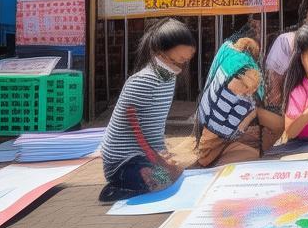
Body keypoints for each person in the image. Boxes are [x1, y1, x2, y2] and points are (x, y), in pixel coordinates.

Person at [98, 18, 196, 202]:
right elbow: (136, 127)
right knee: (163, 180)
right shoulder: (143, 80)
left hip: (144, 154)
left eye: (186, 59)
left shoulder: (168, 78)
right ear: (160, 51)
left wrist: (164, 157)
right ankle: (117, 187)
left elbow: (154, 126)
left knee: (176, 176)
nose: (184, 62)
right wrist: (159, 159)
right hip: (122, 162)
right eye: (180, 58)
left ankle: (138, 178)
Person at [193, 33, 285, 167]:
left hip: (227, 131)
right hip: (226, 137)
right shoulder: (244, 69)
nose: (247, 91)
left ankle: (259, 151)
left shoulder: (229, 59)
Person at [262, 0, 308, 106]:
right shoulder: (285, 40)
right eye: (305, 11)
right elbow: (274, 79)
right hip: (282, 98)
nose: (306, 16)